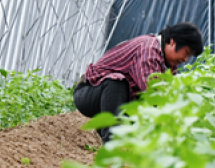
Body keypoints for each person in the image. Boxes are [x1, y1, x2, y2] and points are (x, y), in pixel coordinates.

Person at [73, 22, 204, 142]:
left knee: (140, 103)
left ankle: (116, 136)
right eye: (186, 53)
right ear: (172, 42)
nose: (186, 59)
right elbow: (153, 96)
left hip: (112, 97)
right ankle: (110, 141)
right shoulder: (149, 50)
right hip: (88, 93)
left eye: (189, 56)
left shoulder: (169, 63)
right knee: (116, 82)